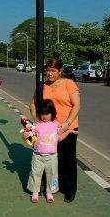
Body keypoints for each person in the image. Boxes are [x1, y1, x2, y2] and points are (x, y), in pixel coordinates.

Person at [30, 57, 81, 203]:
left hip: (67, 128)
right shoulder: (42, 86)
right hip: (47, 130)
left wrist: (67, 123)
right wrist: (36, 119)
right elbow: (33, 104)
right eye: (48, 70)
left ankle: (70, 189)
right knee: (50, 160)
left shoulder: (68, 84)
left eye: (53, 71)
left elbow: (77, 105)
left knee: (68, 159)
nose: (50, 73)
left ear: (60, 71)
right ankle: (52, 187)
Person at [25, 99, 78, 203]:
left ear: (52, 113)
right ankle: (35, 192)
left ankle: (50, 192)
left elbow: (58, 138)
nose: (45, 116)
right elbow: (30, 137)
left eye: (47, 113)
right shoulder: (36, 124)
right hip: (37, 155)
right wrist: (25, 136)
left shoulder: (55, 124)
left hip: (52, 156)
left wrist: (68, 132)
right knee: (35, 174)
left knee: (52, 175)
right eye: (42, 114)